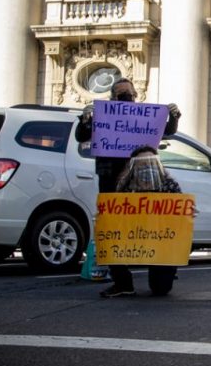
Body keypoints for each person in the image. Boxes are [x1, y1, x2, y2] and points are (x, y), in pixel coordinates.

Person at [75, 78, 180, 298]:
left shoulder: (144, 116)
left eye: (130, 94)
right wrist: (86, 119)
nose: (126, 98)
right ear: (113, 97)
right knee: (112, 231)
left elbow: (166, 132)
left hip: (144, 183)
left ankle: (160, 274)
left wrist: (174, 117)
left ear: (136, 96)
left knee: (151, 229)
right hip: (111, 181)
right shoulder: (102, 115)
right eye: (121, 94)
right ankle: (123, 282)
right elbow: (82, 136)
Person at [108, 146, 189, 296]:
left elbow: (180, 215)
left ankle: (167, 272)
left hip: (161, 241)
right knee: (108, 239)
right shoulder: (125, 187)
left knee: (161, 289)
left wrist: (187, 213)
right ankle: (123, 283)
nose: (147, 168)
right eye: (142, 165)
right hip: (134, 238)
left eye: (150, 163)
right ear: (133, 167)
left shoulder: (169, 185)